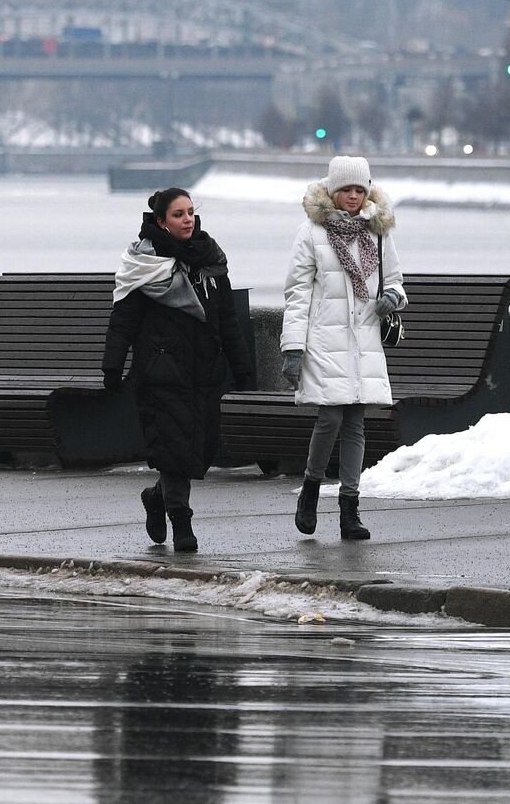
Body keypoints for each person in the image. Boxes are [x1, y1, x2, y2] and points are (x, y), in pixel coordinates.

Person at [103, 187, 255, 552]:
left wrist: (243, 370)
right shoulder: (145, 266)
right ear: (161, 221)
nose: (187, 219)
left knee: (196, 451)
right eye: (178, 214)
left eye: (190, 212)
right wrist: (112, 367)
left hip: (205, 371)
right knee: (174, 449)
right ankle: (181, 522)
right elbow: (122, 321)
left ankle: (156, 498)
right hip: (160, 373)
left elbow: (227, 321)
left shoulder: (210, 261)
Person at [279, 156, 405, 541]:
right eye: (346, 189)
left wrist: (391, 299)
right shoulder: (311, 232)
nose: (353, 196)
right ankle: (311, 489)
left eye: (359, 189)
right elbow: (297, 293)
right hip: (323, 339)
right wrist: (293, 347)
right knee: (330, 418)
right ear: (333, 191)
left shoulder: (378, 232)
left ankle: (350, 509)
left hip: (363, 338)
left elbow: (396, 282)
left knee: (355, 423)